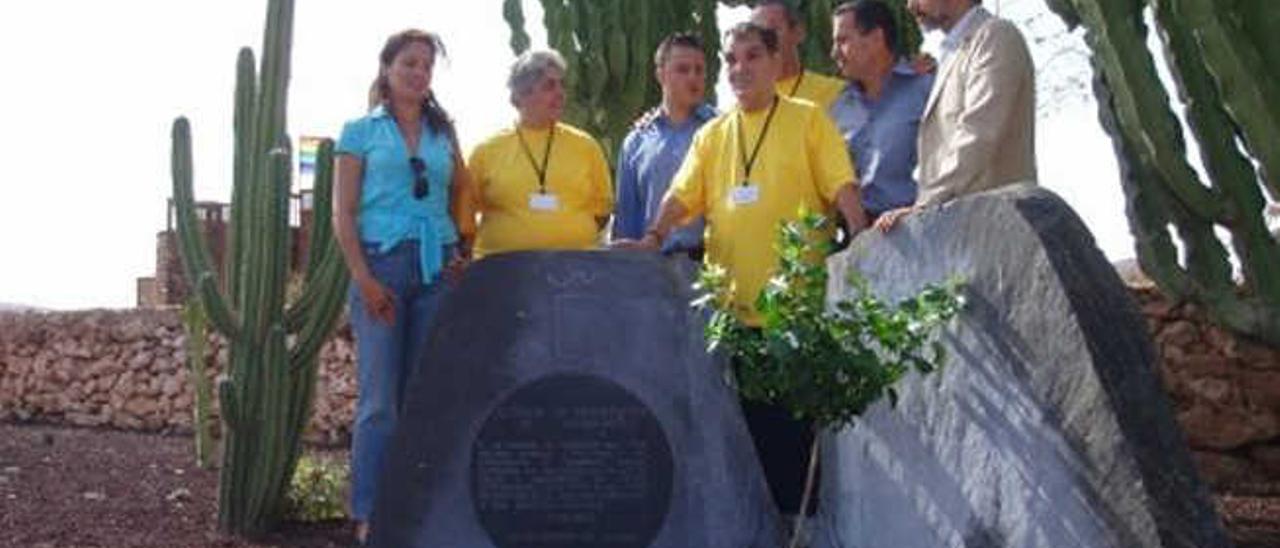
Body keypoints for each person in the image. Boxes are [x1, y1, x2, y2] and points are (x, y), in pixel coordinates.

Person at [615, 22, 865, 520]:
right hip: (732, 319)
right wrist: (653, 238)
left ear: (775, 63)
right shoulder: (712, 134)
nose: (740, 68)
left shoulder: (808, 120)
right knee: (746, 448)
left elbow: (841, 185)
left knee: (799, 454)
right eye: (731, 59)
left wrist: (861, 237)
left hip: (796, 313)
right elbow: (681, 196)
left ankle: (802, 534)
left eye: (752, 57)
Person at [331, 29, 466, 544]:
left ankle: (415, 510)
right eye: (409, 63)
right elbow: (342, 213)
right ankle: (369, 513)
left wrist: (461, 253)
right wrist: (363, 279)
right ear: (387, 68)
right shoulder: (359, 131)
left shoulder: (442, 132)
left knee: (420, 398)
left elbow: (460, 193)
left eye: (426, 66)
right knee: (380, 402)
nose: (418, 73)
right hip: (382, 267)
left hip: (436, 271)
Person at [876, 0, 1036, 231]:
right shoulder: (954, 50)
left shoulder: (994, 37)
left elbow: (979, 133)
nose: (910, 6)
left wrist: (925, 205)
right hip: (963, 233)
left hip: (999, 232)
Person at [462, 50, 613, 257]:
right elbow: (465, 217)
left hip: (574, 273)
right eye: (549, 86)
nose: (560, 93)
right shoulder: (486, 151)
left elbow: (602, 211)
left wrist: (564, 234)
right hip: (503, 274)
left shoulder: (586, 146)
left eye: (562, 85)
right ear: (522, 93)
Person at [612, 33, 717, 265]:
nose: (693, 77)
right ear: (661, 75)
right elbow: (626, 222)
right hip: (653, 270)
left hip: (712, 269)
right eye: (683, 69)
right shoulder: (636, 141)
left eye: (699, 70)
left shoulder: (721, 130)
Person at [829, 0, 935, 222]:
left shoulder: (926, 91)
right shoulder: (839, 109)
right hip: (859, 238)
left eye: (843, 41)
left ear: (876, 38)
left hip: (919, 228)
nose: (834, 53)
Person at [751, 0, 848, 110]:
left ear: (798, 32)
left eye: (773, 30)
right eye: (756, 34)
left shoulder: (837, 92)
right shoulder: (747, 102)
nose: (764, 41)